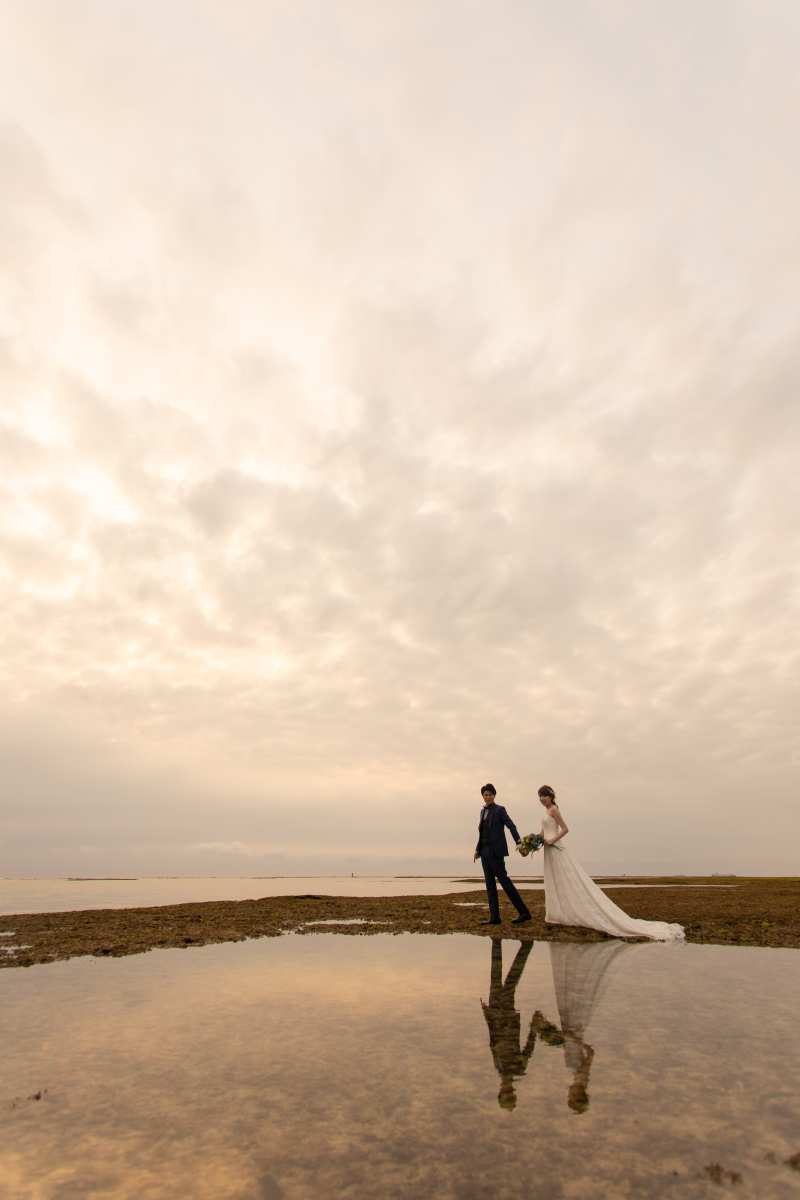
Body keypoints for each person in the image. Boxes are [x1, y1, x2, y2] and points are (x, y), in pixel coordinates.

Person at [534, 785, 684, 941]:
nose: (541, 799)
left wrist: (552, 840)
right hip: (548, 850)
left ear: (551, 797)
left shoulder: (554, 810)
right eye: (539, 796)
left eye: (544, 796)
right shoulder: (546, 812)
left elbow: (565, 829)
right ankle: (558, 913)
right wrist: (532, 842)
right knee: (554, 879)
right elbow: (542, 833)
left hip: (556, 847)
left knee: (567, 878)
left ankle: (570, 912)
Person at [480, 939, 537, 1110]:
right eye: (507, 1092)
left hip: (497, 1016)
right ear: (511, 1091)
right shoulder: (518, 1069)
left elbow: (493, 1042)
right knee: (511, 980)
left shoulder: (499, 1067)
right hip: (507, 1019)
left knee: (496, 976)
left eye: (503, 1092)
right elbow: (529, 1047)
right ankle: (525, 946)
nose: (504, 1089)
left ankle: (498, 943)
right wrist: (534, 1025)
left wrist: (487, 1014)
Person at [474, 784, 532, 925]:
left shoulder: (500, 810)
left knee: (505, 882)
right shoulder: (482, 812)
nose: (487, 797)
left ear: (494, 795)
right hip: (484, 851)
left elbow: (511, 826)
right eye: (485, 795)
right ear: (482, 796)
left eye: (490, 794)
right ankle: (495, 917)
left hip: (495, 851)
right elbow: (482, 832)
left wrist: (520, 845)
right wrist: (477, 849)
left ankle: (524, 912)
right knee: (490, 884)